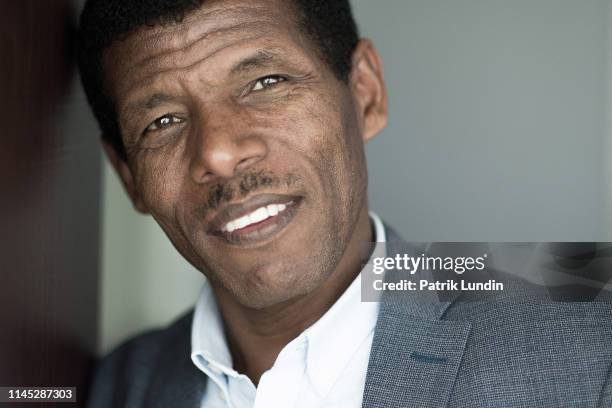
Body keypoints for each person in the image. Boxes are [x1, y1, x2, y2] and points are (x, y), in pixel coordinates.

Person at [79, 0, 612, 407]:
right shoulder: (116, 385)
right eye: (162, 122)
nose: (218, 152)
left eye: (266, 82)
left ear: (365, 93)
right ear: (128, 176)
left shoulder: (588, 324)